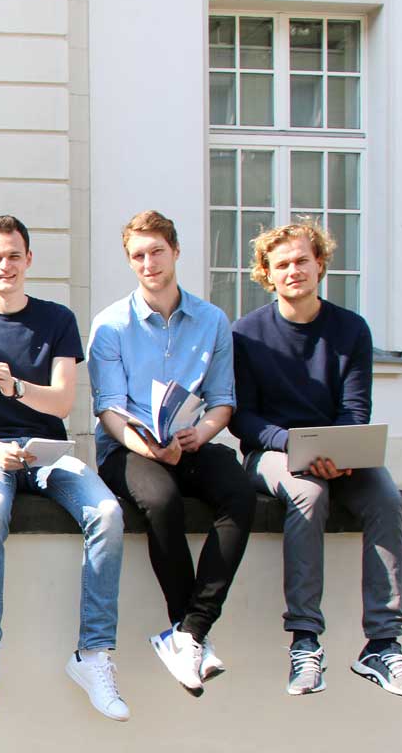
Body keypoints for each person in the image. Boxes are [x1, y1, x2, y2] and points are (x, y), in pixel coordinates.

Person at [231, 222, 402, 699]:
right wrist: (293, 445)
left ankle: (382, 643)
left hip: (342, 451)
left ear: (320, 264)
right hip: (271, 453)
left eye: (302, 260)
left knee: (386, 497)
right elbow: (242, 418)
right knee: (307, 492)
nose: (293, 270)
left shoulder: (351, 329)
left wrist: (339, 450)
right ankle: (305, 640)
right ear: (267, 274)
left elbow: (356, 407)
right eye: (282, 264)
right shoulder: (245, 334)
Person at [0, 215, 128, 722]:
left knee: (108, 514)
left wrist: (16, 387)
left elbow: (64, 401)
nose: (5, 265)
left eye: (13, 255)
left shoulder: (58, 319)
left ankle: (94, 654)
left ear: (28, 259)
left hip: (50, 450)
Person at [87, 209, 254, 697]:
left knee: (240, 493)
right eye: (138, 255)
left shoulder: (212, 320)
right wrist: (152, 449)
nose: (149, 263)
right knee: (161, 501)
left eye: (157, 251)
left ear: (176, 251)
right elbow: (109, 411)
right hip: (129, 447)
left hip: (190, 440)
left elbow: (222, 400)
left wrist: (202, 433)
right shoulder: (111, 324)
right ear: (129, 261)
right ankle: (187, 629)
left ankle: (189, 632)